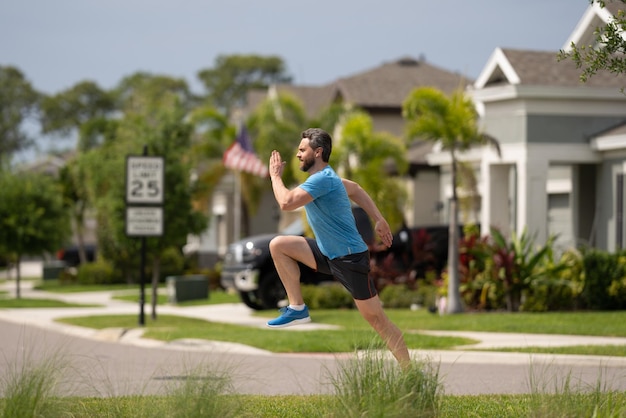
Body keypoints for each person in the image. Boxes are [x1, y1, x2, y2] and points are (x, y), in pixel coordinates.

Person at [266, 127, 411, 367]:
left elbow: (286, 202)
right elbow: (355, 188)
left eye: (303, 150)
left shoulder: (323, 179)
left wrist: (275, 177)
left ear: (318, 152)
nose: (298, 154)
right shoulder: (326, 179)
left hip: (350, 259)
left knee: (378, 321)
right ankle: (297, 307)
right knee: (279, 245)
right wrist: (378, 219)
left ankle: (410, 374)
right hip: (327, 253)